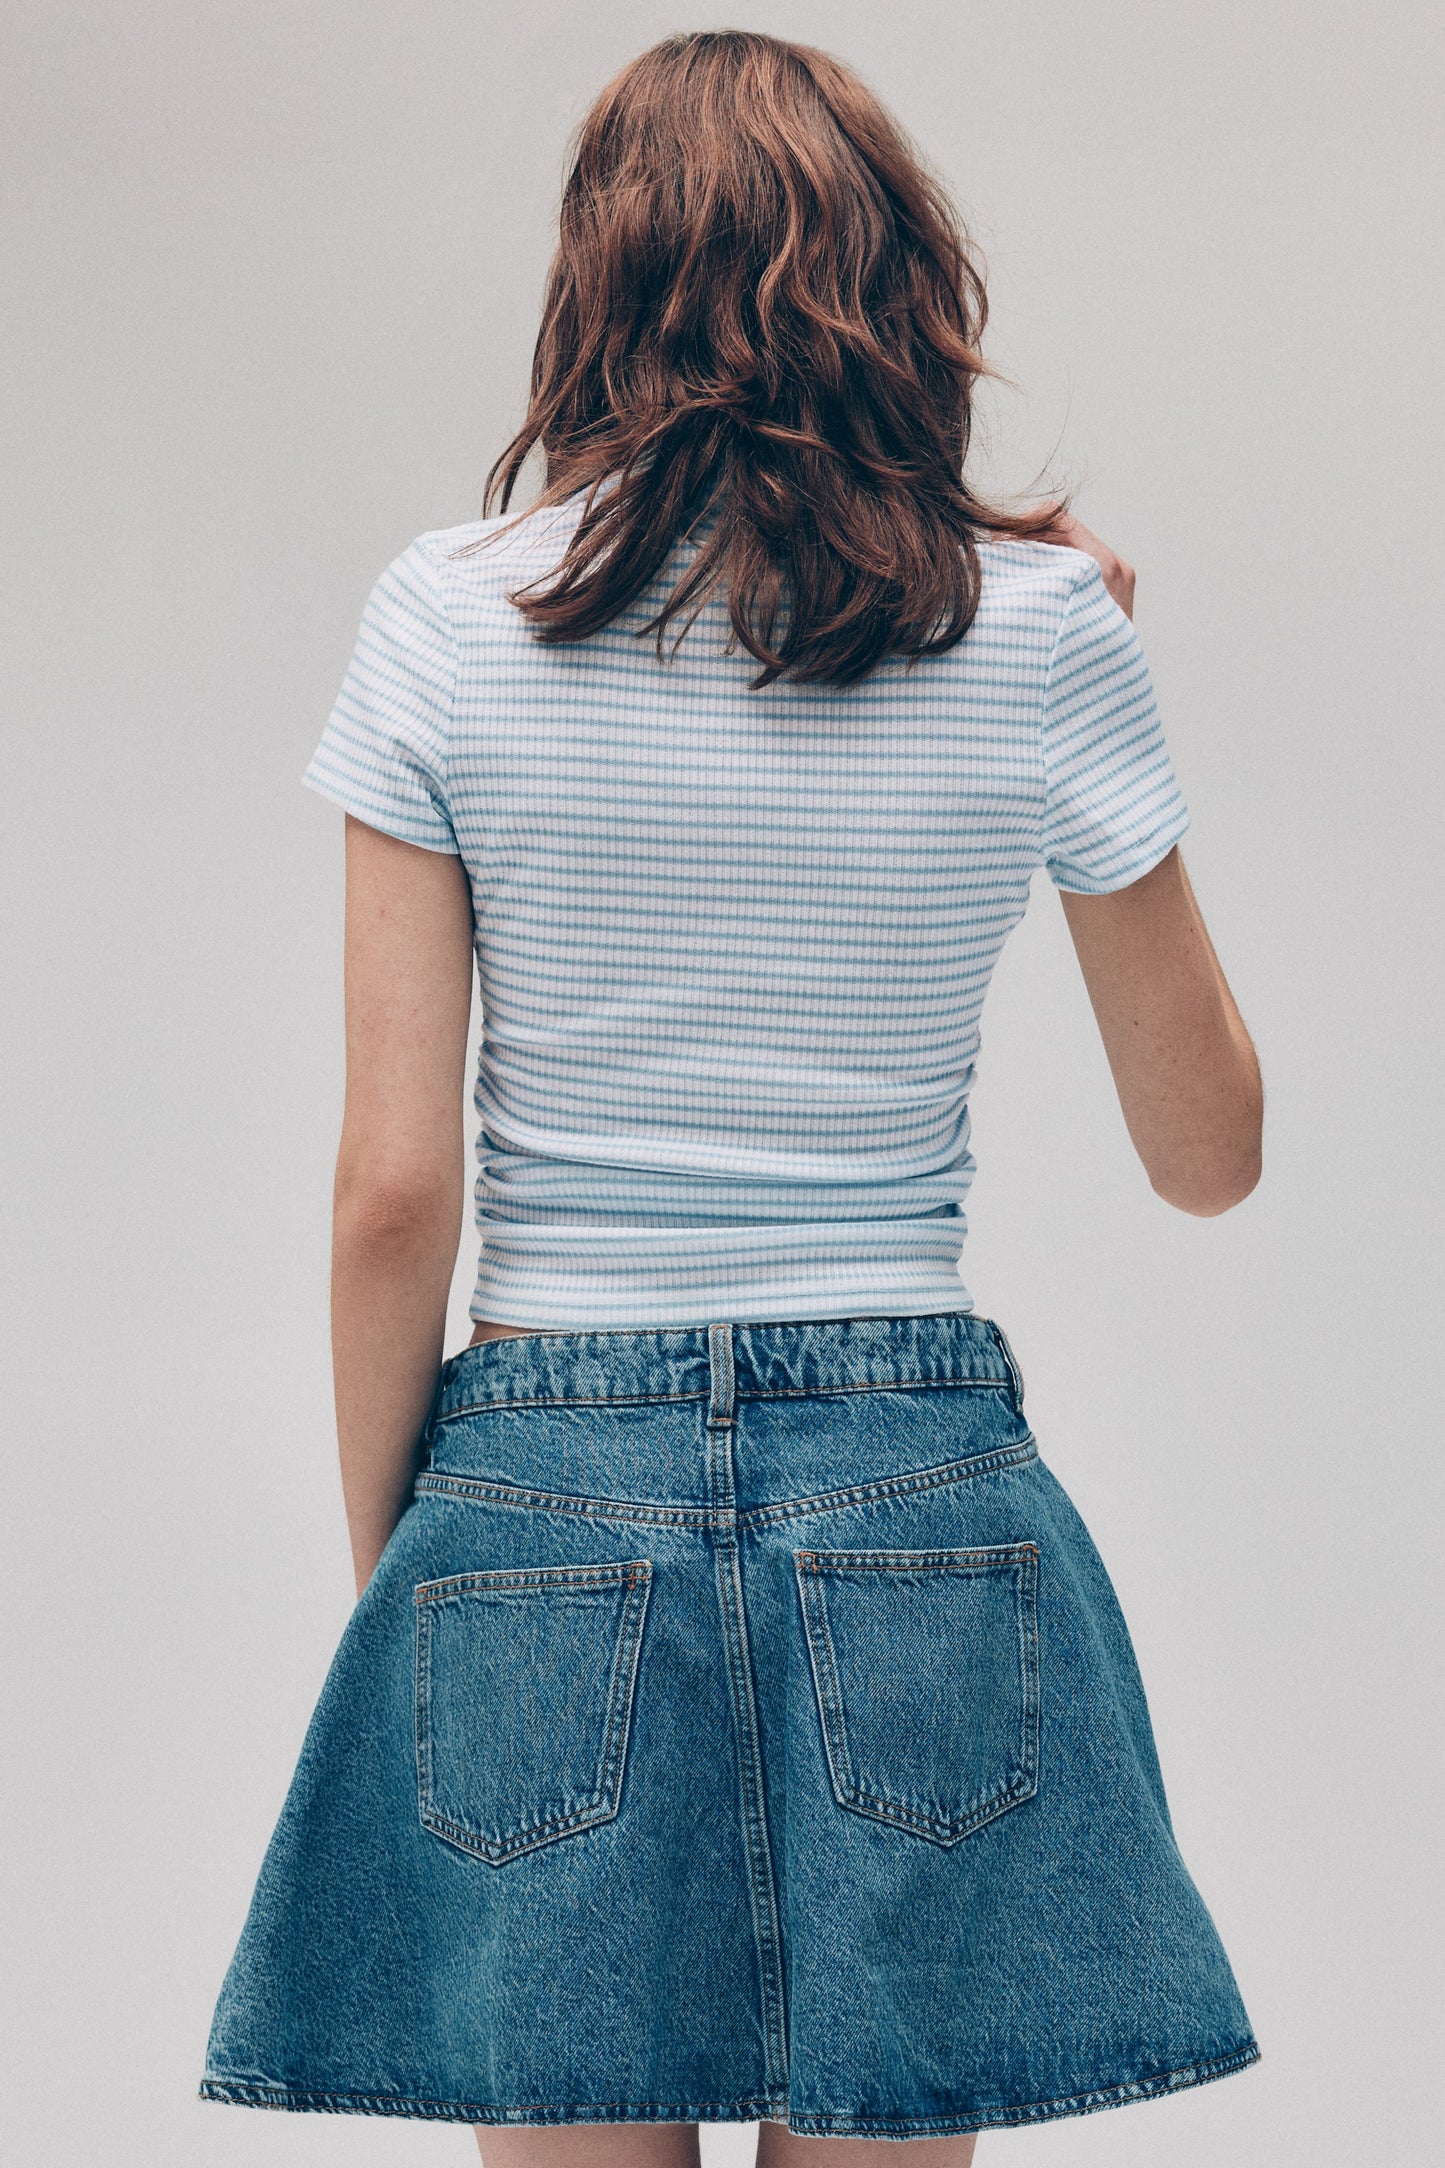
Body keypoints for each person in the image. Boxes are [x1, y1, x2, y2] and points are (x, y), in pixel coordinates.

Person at [200, 29, 1263, 2164]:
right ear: (902, 293)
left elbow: (390, 1187)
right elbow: (1209, 1153)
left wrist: (416, 1565)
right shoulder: (1046, 631)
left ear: (594, 290)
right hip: (922, 1492)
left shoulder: (442, 621)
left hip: (532, 1483)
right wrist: (1080, 670)